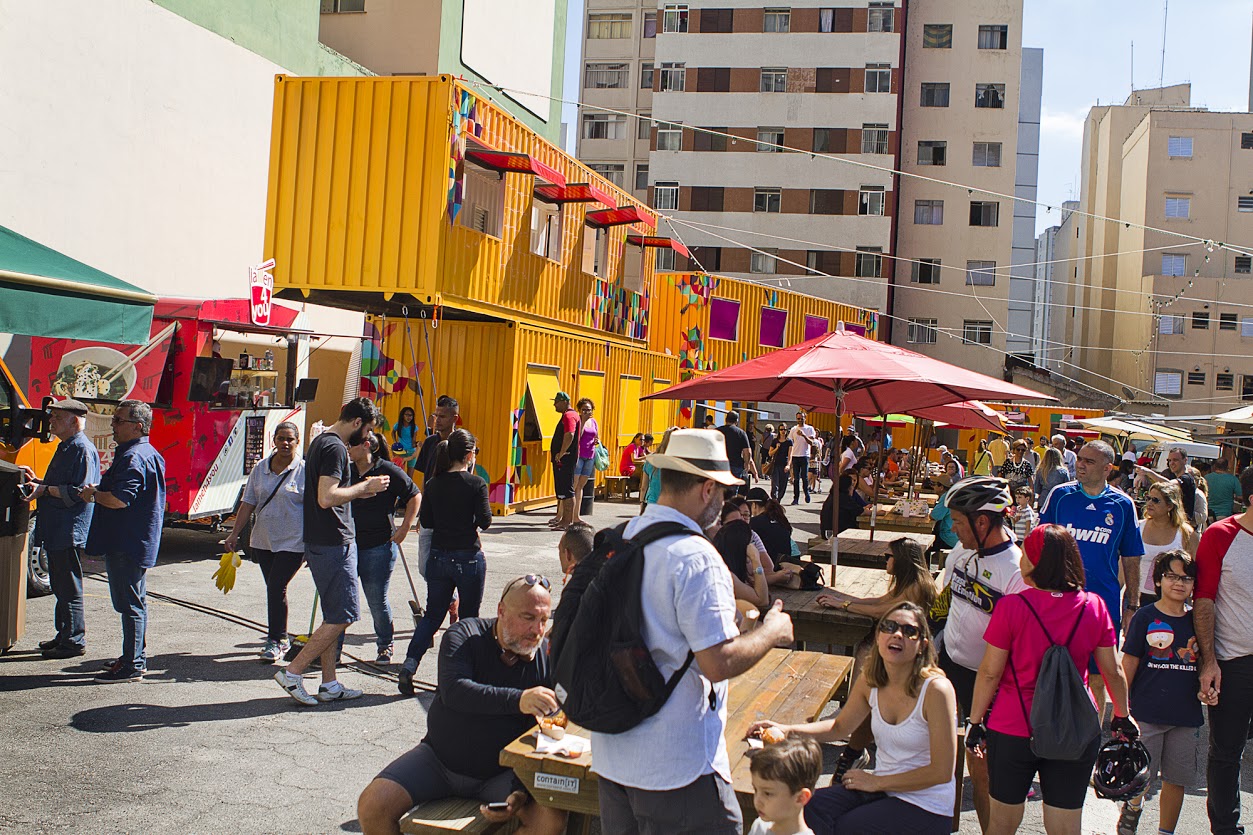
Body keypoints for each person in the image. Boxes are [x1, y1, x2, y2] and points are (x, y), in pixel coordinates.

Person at [590, 429, 794, 834]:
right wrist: (771, 631)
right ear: (706, 488)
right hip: (676, 763)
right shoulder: (698, 556)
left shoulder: (622, 536)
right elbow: (717, 663)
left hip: (613, 753)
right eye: (722, 490)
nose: (723, 501)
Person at [357, 579, 568, 835]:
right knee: (373, 805)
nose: (537, 629)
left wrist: (519, 791)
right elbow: (455, 691)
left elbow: (546, 729)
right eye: (528, 617)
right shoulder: (466, 635)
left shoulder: (545, 656)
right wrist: (519, 700)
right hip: (440, 760)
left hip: (502, 773)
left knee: (550, 822)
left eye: (544, 620)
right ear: (501, 610)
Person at [966, 524, 1136, 835]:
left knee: (1002, 823)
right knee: (1066, 825)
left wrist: (975, 722)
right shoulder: (1094, 607)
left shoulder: (1012, 607)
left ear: (1035, 563)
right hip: (1073, 728)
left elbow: (990, 671)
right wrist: (1123, 716)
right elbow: (1113, 670)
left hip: (1013, 726)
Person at [750, 602, 957, 834]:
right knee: (810, 808)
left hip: (926, 805)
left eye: (909, 631)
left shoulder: (937, 690)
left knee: (849, 827)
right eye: (889, 626)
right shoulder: (871, 680)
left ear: (922, 645)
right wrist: (786, 730)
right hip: (883, 790)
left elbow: (942, 771)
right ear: (878, 636)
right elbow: (840, 727)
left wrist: (876, 782)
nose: (897, 634)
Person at [273, 397, 386, 705]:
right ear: (358, 423)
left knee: (332, 614)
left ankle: (329, 684)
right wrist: (365, 488)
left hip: (323, 541)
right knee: (344, 614)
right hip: (334, 542)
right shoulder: (335, 447)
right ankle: (293, 672)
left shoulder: (322, 441)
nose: (365, 439)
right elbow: (327, 497)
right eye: (366, 431)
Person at [935, 476, 1026, 831]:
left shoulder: (1016, 571)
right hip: (947, 666)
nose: (954, 530)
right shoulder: (961, 553)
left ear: (982, 521)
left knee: (983, 771)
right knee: (936, 755)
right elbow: (946, 602)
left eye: (958, 522)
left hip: (986, 680)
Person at [1039, 440, 1144, 715]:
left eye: (1089, 461)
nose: (1080, 465)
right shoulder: (1060, 496)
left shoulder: (1122, 505)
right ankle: (1052, 734)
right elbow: (1037, 544)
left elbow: (1132, 557)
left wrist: (1132, 604)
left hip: (1103, 602)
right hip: (1058, 600)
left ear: (1108, 468)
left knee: (1099, 677)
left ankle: (1090, 743)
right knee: (1053, 670)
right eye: (1080, 459)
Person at [1118, 549, 1204, 835]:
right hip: (1146, 713)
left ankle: (1166, 831)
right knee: (1141, 777)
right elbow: (1128, 662)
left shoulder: (1198, 621)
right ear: (1157, 581)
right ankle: (1133, 807)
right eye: (1171, 576)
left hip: (1186, 715)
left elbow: (1205, 661)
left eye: (1186, 578)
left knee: (1175, 780)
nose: (1179, 583)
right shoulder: (1144, 617)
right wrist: (1122, 710)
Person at [400, 428, 492, 696]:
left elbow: (426, 521)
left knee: (432, 615)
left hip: (439, 556)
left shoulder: (434, 484)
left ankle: (409, 665)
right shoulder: (476, 484)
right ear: (468, 455)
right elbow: (485, 521)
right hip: (468, 555)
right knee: (468, 618)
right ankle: (459, 674)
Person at [82, 400, 166, 683]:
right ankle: (133, 657)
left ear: (137, 426)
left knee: (129, 604)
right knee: (135, 602)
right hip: (134, 540)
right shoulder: (146, 453)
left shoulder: (134, 457)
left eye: (118, 421)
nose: (113, 426)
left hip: (126, 542)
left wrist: (93, 494)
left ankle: (133, 664)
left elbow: (119, 499)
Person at [1195, 467, 1253, 835]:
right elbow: (1204, 600)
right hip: (1234, 661)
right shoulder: (1221, 535)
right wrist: (1209, 660)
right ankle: (1225, 827)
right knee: (1227, 751)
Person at [22, 398, 100, 660]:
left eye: (57, 417)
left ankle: (74, 640)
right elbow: (61, 484)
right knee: (60, 586)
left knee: (69, 587)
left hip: (69, 529)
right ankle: (64, 635)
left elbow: (82, 491)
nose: (51, 422)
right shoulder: (68, 446)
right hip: (58, 528)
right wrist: (38, 481)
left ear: (74, 421)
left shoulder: (81, 449)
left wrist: (43, 489)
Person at [224, 421, 306, 662]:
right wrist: (234, 533)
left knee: (276, 586)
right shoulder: (260, 468)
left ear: (297, 441)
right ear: (274, 441)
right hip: (263, 540)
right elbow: (248, 503)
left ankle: (277, 640)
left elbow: (314, 509)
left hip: (293, 541)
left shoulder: (304, 469)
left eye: (290, 439)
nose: (285, 443)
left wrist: (314, 543)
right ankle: (279, 637)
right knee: (274, 587)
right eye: (281, 438)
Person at [349, 431, 421, 664]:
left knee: (376, 599)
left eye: (352, 444)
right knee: (341, 599)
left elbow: (414, 495)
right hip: (347, 543)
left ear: (366, 446)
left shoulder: (387, 470)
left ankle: (384, 645)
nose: (347, 448)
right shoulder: (346, 470)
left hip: (378, 545)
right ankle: (334, 648)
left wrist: (404, 528)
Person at [415, 394, 459, 590]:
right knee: (425, 566)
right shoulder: (430, 442)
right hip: (429, 512)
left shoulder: (461, 443)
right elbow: (425, 479)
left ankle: (447, 601)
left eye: (442, 416)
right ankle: (446, 599)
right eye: (436, 415)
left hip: (452, 515)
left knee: (449, 564)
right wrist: (421, 511)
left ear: (454, 418)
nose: (437, 420)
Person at [1136, 481, 1198, 608]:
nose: (1149, 503)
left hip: (1174, 600)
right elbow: (1124, 565)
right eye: (1148, 498)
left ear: (1170, 506)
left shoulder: (1186, 534)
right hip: (1139, 597)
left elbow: (1197, 570)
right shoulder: (1138, 527)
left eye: (1155, 500)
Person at [747, 736, 823, 835]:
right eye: (755, 790)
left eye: (767, 793)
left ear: (800, 798)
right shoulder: (759, 826)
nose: (757, 800)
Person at [713, 514, 771, 609]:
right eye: (751, 542)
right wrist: (756, 560)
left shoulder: (730, 569)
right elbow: (762, 600)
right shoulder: (727, 576)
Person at [1137, 448, 1197, 523]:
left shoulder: (1187, 478)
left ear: (1185, 460)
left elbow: (1169, 485)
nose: (1171, 463)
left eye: (1175, 460)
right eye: (1169, 460)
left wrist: (1149, 473)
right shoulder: (1176, 477)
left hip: (1182, 525)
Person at [548, 392, 579, 531]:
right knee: (563, 490)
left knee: (567, 491)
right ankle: (564, 521)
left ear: (564, 402)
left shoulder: (569, 416)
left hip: (566, 459)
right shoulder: (568, 415)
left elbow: (570, 434)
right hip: (564, 459)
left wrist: (561, 453)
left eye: (556, 402)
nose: (554, 405)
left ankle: (567, 522)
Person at [745, 486, 795, 562]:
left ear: (754, 505)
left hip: (768, 567)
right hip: (785, 564)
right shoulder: (781, 519)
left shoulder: (754, 523)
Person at [716, 410, 758, 495]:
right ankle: (730, 506)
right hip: (736, 465)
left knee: (719, 491)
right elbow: (747, 451)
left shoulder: (717, 431)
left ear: (726, 419)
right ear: (737, 421)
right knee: (732, 492)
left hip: (719, 465)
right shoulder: (741, 433)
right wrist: (747, 463)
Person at [571, 398, 598, 525]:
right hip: (579, 456)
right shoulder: (579, 422)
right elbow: (577, 437)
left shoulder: (594, 422)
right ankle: (567, 515)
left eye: (589, 409)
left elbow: (595, 435)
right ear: (580, 410)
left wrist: (596, 441)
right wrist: (583, 421)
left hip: (590, 456)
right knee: (573, 485)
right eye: (584, 410)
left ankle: (576, 516)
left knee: (580, 487)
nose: (587, 412)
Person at [638, 428, 672, 514]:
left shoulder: (651, 460)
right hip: (671, 506)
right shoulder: (679, 461)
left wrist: (642, 502)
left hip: (652, 502)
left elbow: (643, 487)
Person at [788, 411, 816, 505]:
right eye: (798, 419)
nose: (800, 420)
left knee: (804, 477)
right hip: (795, 455)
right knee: (796, 478)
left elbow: (812, 443)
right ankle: (796, 498)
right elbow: (790, 442)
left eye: (801, 418)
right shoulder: (793, 429)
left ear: (805, 418)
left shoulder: (809, 429)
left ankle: (806, 493)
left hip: (804, 455)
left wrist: (804, 435)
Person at [1032, 447, 1069, 511]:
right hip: (1058, 501)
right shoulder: (1063, 471)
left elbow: (1037, 489)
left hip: (1043, 501)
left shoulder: (1040, 471)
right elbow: (1067, 489)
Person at [392, 406, 419, 475]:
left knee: (410, 475)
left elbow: (413, 440)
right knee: (399, 474)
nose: (409, 417)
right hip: (401, 451)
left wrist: (416, 445)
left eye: (411, 415)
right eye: (407, 415)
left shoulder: (414, 427)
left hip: (411, 451)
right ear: (403, 415)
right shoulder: (398, 425)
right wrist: (395, 441)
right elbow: (392, 433)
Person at [769, 429, 793, 501]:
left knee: (783, 484)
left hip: (784, 465)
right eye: (781, 429)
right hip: (776, 464)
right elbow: (770, 453)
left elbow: (790, 455)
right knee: (775, 484)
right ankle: (774, 499)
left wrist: (788, 465)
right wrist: (776, 448)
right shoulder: (775, 441)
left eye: (784, 429)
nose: (783, 431)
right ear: (779, 431)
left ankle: (778, 500)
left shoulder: (789, 442)